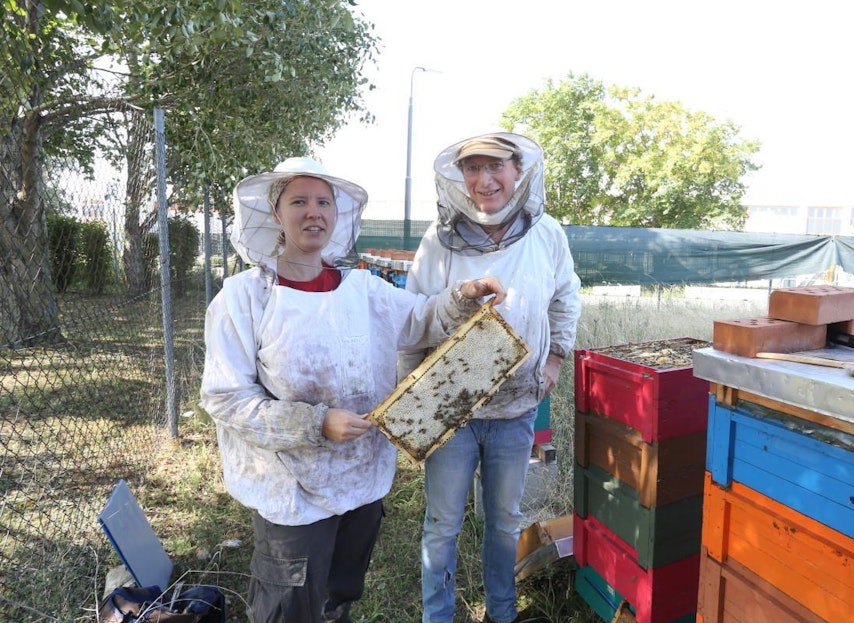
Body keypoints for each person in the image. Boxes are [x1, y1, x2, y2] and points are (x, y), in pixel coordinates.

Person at [200, 156, 505, 623]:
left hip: (362, 481)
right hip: (292, 491)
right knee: (289, 607)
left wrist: (465, 294)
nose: (313, 212)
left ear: (337, 215)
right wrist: (315, 422)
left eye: (324, 202)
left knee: (339, 596)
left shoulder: (364, 289)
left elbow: (422, 319)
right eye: (298, 201)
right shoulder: (243, 298)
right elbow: (226, 397)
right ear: (276, 215)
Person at [400, 133, 582, 623]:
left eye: (494, 167)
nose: (484, 180)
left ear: (518, 171)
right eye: (472, 169)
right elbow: (412, 317)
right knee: (442, 524)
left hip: (517, 407)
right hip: (451, 409)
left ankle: (501, 613)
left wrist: (554, 360)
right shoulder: (438, 241)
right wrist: (413, 409)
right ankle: (437, 617)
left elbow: (565, 297)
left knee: (503, 522)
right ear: (460, 178)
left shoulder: (547, 235)